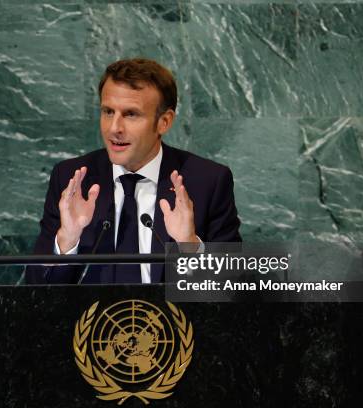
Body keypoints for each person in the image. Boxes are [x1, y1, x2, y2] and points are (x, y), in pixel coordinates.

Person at [26, 58, 241, 284]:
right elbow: (35, 291)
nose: (114, 128)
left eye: (131, 114)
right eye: (108, 112)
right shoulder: (73, 179)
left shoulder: (207, 181)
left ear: (164, 122)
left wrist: (189, 246)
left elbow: (233, 289)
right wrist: (67, 241)